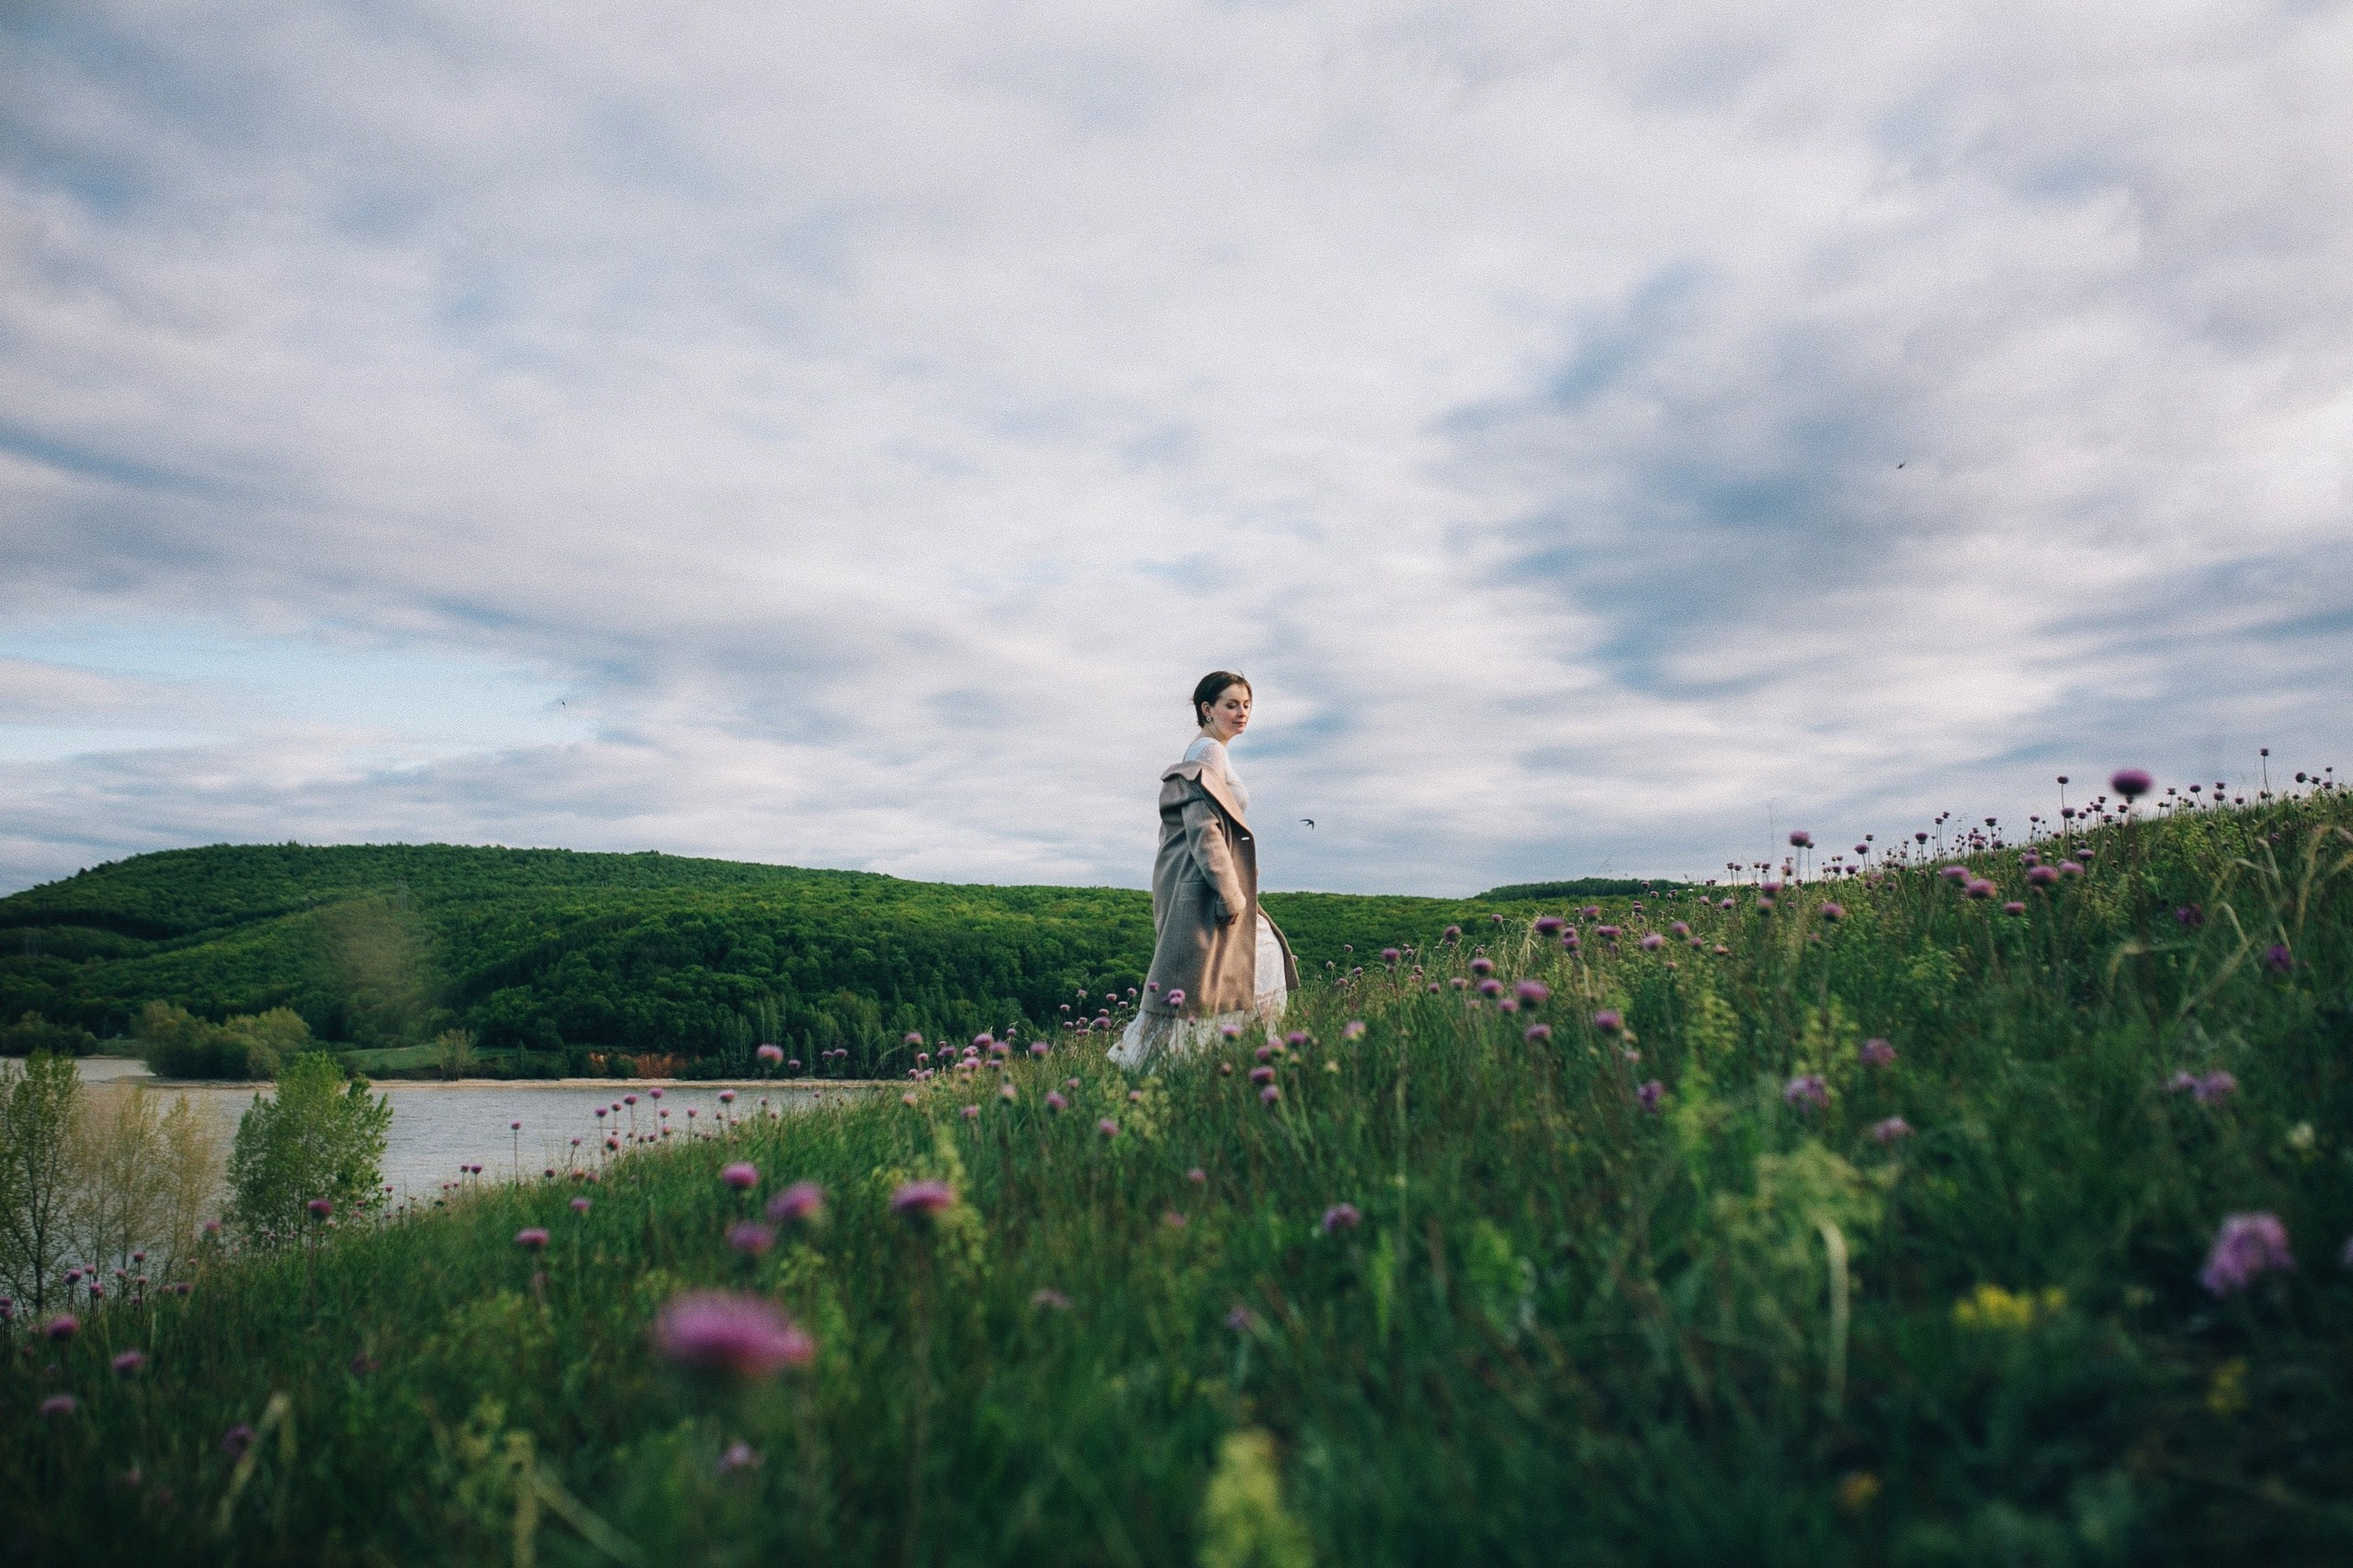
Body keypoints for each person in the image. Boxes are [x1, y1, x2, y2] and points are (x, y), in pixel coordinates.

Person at [1111, 671, 1299, 1070]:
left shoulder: (1211, 752)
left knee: (1216, 977)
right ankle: (1195, 1063)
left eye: (1247, 705)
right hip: (1209, 884)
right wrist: (1229, 891)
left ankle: (1213, 1062)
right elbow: (1203, 826)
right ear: (1206, 709)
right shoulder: (1208, 752)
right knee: (1240, 968)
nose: (1242, 713)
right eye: (1231, 705)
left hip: (1206, 881)